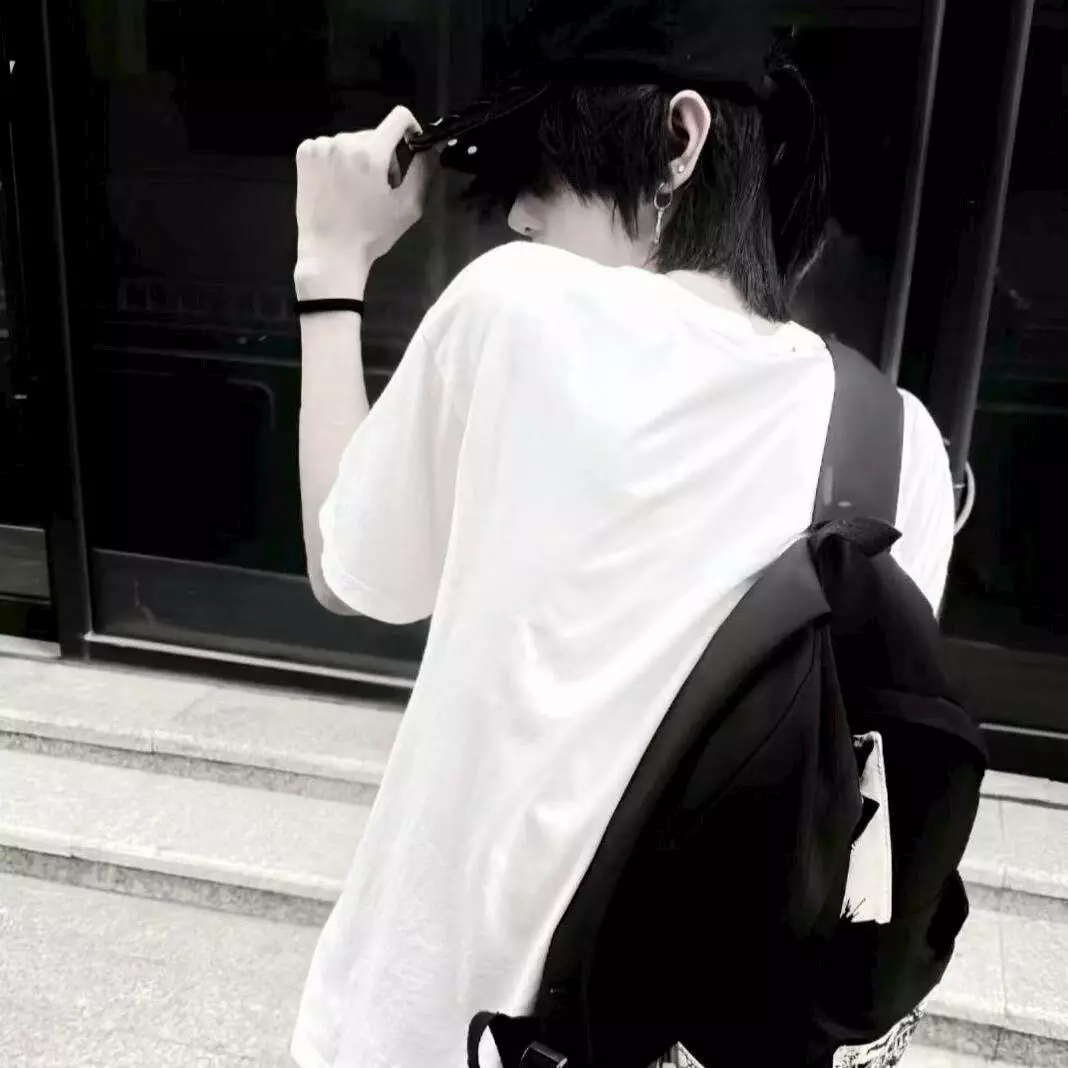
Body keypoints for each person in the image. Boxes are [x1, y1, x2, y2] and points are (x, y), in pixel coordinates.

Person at [289, 4, 955, 1067]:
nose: (517, 217)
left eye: (542, 175)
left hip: (435, 1029)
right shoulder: (897, 439)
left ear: (680, 141)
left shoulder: (519, 309)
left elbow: (347, 570)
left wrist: (329, 266)